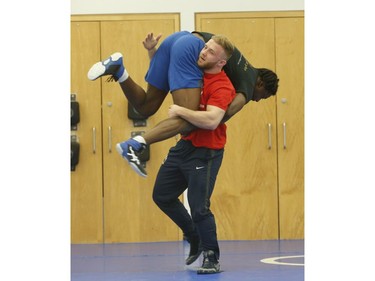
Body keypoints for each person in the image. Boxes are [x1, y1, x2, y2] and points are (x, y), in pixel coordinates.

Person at [87, 31, 279, 177]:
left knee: (145, 107)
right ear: (261, 83)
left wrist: (153, 52)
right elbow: (222, 114)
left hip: (176, 40)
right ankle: (135, 145)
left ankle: (118, 69)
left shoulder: (243, 68)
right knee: (188, 117)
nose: (258, 99)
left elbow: (172, 69)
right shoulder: (248, 82)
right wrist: (207, 116)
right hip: (191, 47)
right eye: (263, 95)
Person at [154, 34, 235, 274]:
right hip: (184, 147)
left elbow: (211, 120)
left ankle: (212, 256)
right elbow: (169, 73)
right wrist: (153, 53)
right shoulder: (194, 73)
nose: (203, 52)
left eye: (210, 52)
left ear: (221, 62)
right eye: (205, 47)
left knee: (199, 206)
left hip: (206, 151)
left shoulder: (222, 85)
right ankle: (194, 237)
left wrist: (179, 110)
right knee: (162, 195)